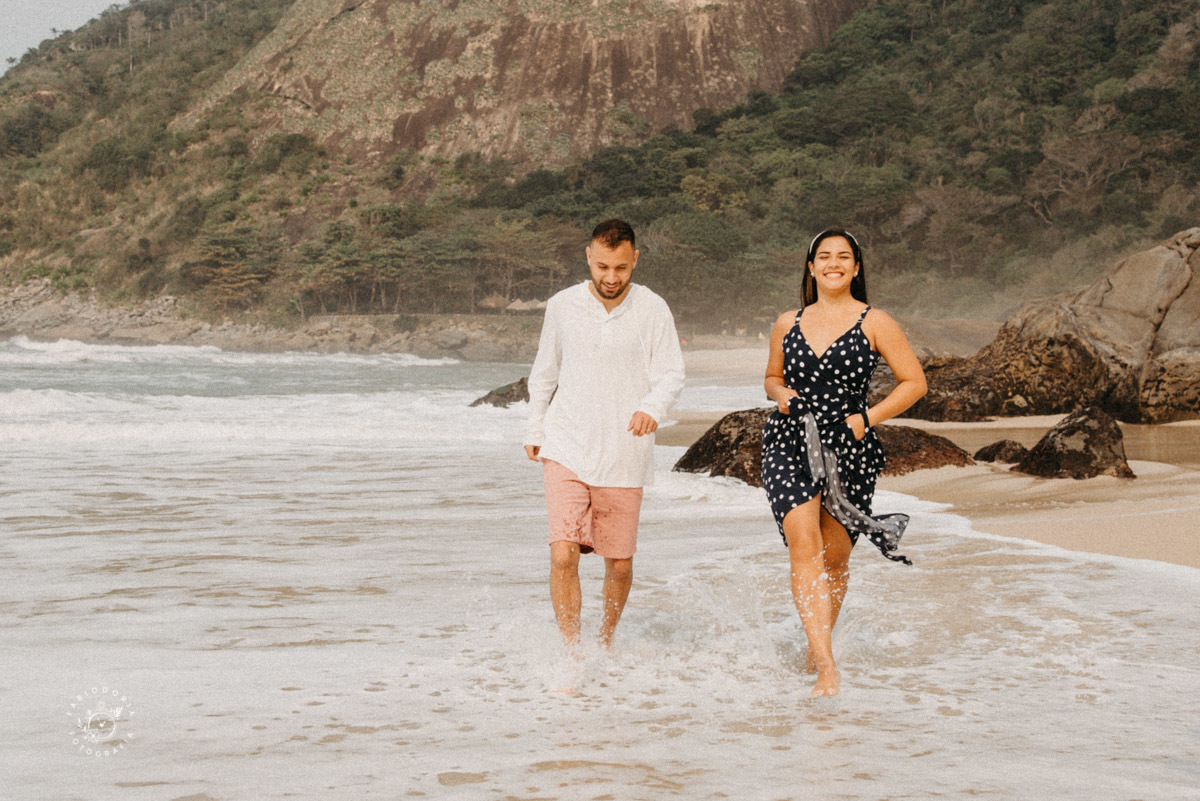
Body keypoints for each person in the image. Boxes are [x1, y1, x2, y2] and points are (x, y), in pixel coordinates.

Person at [761, 228, 926, 697]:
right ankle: (828, 667)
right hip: (790, 439)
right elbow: (772, 376)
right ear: (811, 268)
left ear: (856, 268)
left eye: (844, 256)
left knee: (834, 559)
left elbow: (914, 382)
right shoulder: (786, 322)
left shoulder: (876, 321)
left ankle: (816, 646)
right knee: (803, 541)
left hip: (850, 445)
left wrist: (867, 419)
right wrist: (780, 393)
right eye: (824, 256)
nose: (833, 263)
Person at [524, 218, 685, 653]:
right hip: (566, 444)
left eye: (620, 268)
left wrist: (652, 407)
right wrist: (535, 427)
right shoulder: (561, 305)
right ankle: (572, 652)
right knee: (563, 554)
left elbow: (671, 372)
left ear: (635, 259)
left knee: (618, 564)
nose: (611, 278)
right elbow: (544, 372)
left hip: (624, 452)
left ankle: (605, 640)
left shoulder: (654, 309)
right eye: (602, 267)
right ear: (588, 258)